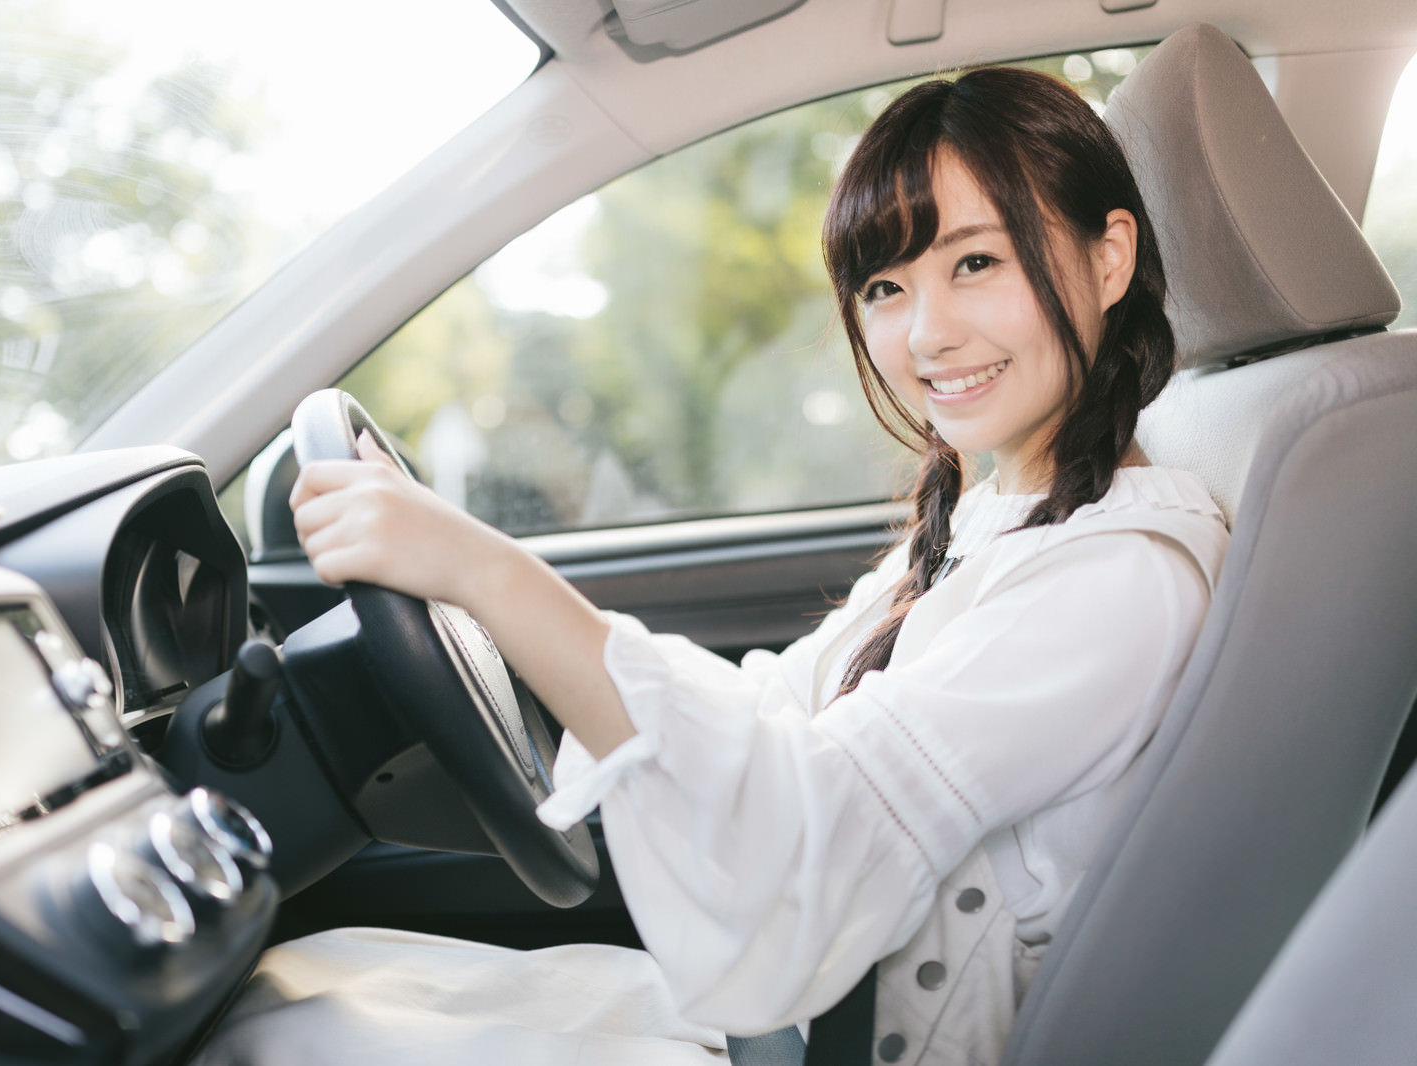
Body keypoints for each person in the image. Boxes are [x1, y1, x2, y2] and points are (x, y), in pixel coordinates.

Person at [193, 66, 1229, 1066]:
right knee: (316, 978)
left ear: (1107, 258)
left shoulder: (1116, 580)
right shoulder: (1004, 514)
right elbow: (777, 704)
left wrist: (488, 575)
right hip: (814, 1013)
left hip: (847, 1032)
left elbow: (805, 826)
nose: (924, 334)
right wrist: (531, 641)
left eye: (975, 262)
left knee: (280, 1038)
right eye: (883, 285)